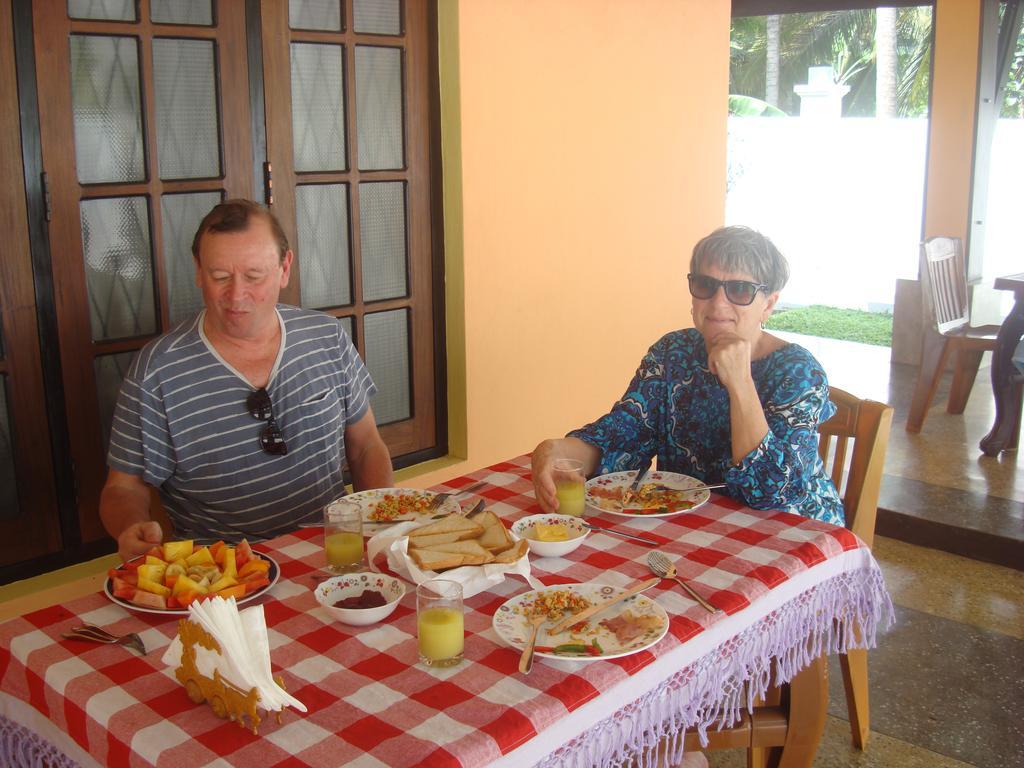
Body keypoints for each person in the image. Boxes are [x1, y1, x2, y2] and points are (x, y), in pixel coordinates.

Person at [100, 199, 394, 561]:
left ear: (284, 269)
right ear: (197, 270)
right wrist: (130, 527)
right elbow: (123, 487)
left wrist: (382, 531)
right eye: (219, 276)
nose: (236, 296)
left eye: (254, 276)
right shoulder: (158, 371)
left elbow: (365, 446)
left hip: (332, 552)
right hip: (224, 575)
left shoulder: (326, 337)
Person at [532, 225, 843, 527]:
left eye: (740, 289)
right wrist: (556, 453)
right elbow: (624, 434)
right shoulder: (672, 352)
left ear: (769, 304)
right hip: (692, 526)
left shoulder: (798, 371)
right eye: (706, 285)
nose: (719, 303)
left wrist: (740, 382)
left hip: (793, 534)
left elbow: (771, 491)